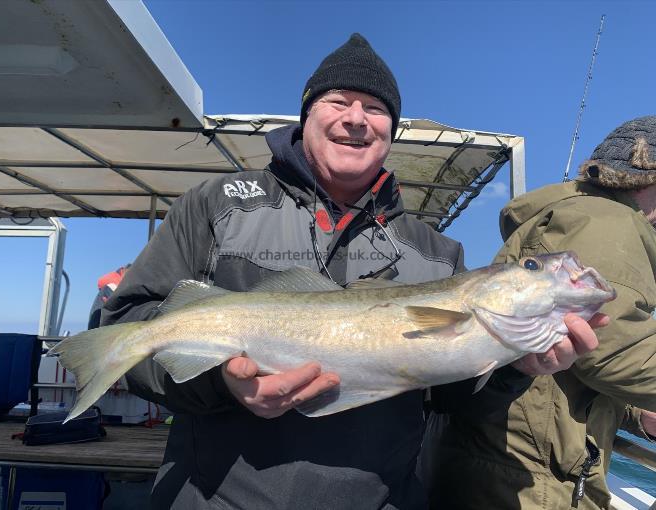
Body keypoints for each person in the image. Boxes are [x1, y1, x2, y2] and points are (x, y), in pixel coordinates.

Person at [102, 34, 602, 509]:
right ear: (307, 115)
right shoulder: (214, 206)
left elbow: (456, 400)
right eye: (338, 102)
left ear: (391, 130)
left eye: (377, 109)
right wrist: (220, 383)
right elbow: (126, 328)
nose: (357, 119)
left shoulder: (438, 254)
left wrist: (516, 367)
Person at [424, 116, 656, 509]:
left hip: (507, 467)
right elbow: (612, 348)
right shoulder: (609, 221)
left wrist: (637, 416)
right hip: (533, 481)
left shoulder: (581, 215)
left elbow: (577, 352)